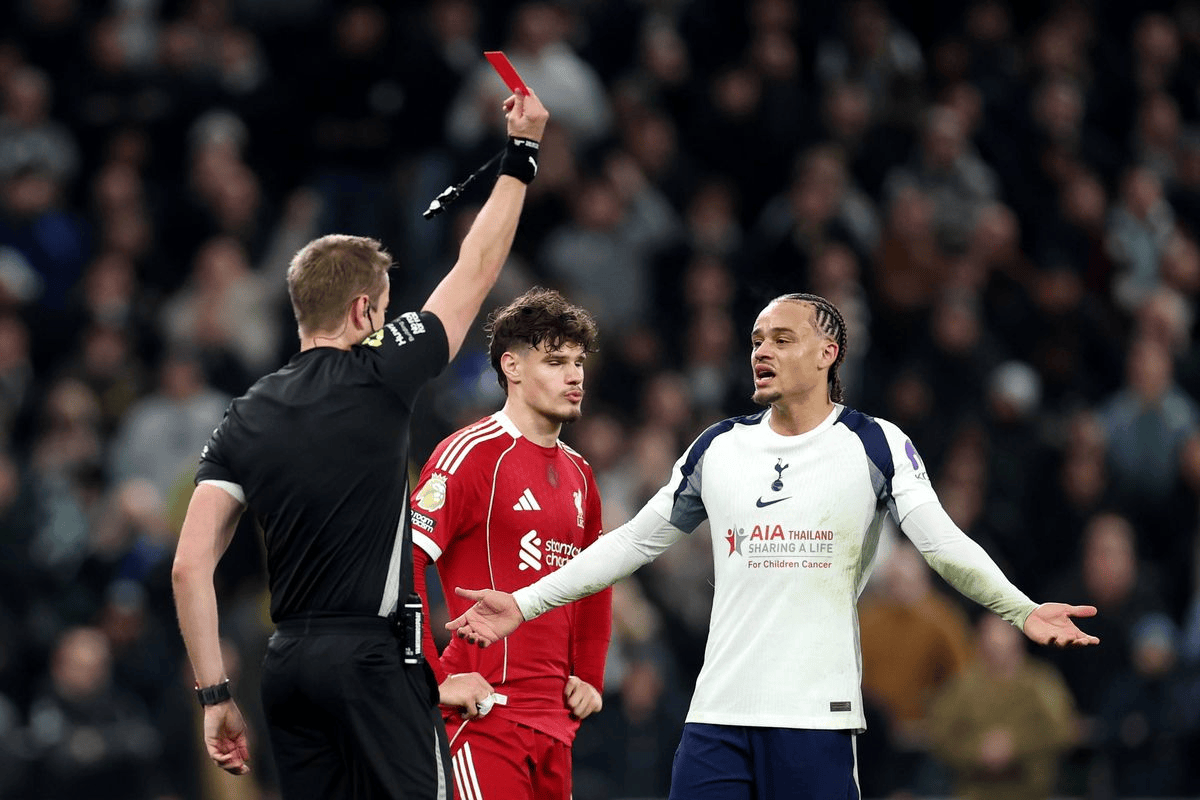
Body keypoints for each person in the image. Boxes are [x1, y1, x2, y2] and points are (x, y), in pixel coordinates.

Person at [446, 292, 1100, 799]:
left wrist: (1020, 609)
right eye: (757, 339)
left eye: (782, 339)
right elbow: (632, 542)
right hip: (717, 714)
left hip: (815, 716)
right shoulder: (719, 446)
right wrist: (524, 603)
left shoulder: (874, 444)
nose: (762, 350)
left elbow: (942, 543)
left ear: (827, 353)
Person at [171, 89, 550, 800]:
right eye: (381, 309)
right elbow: (475, 269)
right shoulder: (379, 370)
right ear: (361, 311)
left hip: (287, 668)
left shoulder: (243, 415)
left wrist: (215, 697)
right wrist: (521, 154)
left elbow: (190, 567)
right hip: (373, 661)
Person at [409, 287, 611, 799]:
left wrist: (590, 674)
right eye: (555, 362)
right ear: (512, 367)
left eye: (578, 362)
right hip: (484, 721)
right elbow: (402, 562)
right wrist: (432, 678)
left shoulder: (581, 474)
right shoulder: (470, 454)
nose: (574, 376)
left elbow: (596, 579)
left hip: (555, 727)